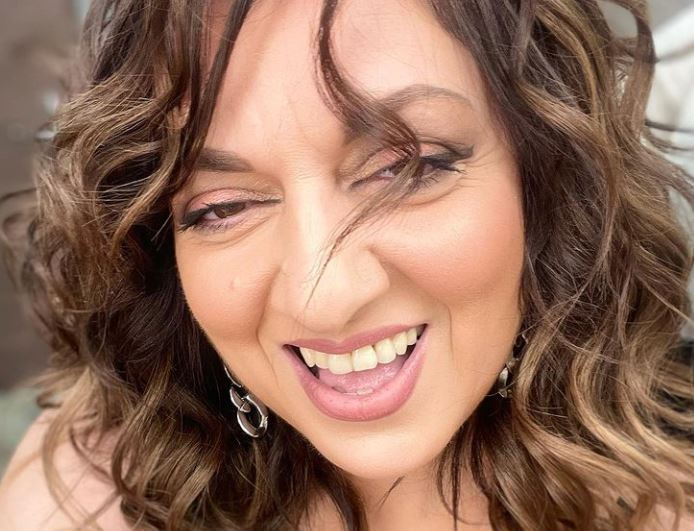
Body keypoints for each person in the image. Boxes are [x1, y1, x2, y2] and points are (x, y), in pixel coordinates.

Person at [0, 0, 693, 529]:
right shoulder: (85, 496)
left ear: (548, 175)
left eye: (406, 168)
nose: (321, 297)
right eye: (223, 207)